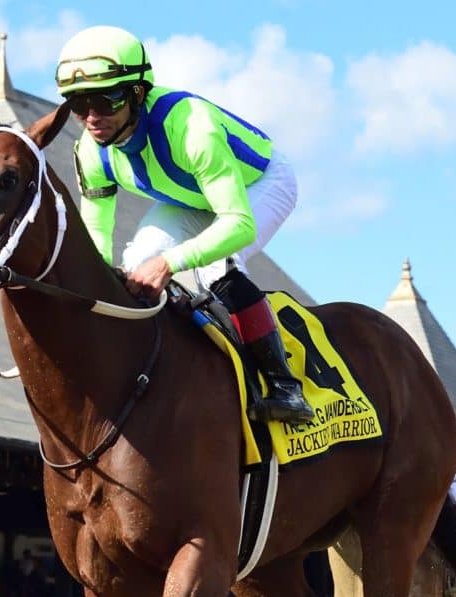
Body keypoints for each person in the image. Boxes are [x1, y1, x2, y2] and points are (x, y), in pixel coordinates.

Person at [55, 25, 313, 424]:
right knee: (134, 261)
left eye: (106, 100)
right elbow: (97, 242)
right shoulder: (90, 152)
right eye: (78, 103)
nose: (92, 118)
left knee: (214, 269)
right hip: (191, 196)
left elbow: (239, 225)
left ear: (138, 92)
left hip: (260, 182)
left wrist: (170, 263)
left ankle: (285, 387)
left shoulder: (191, 126)